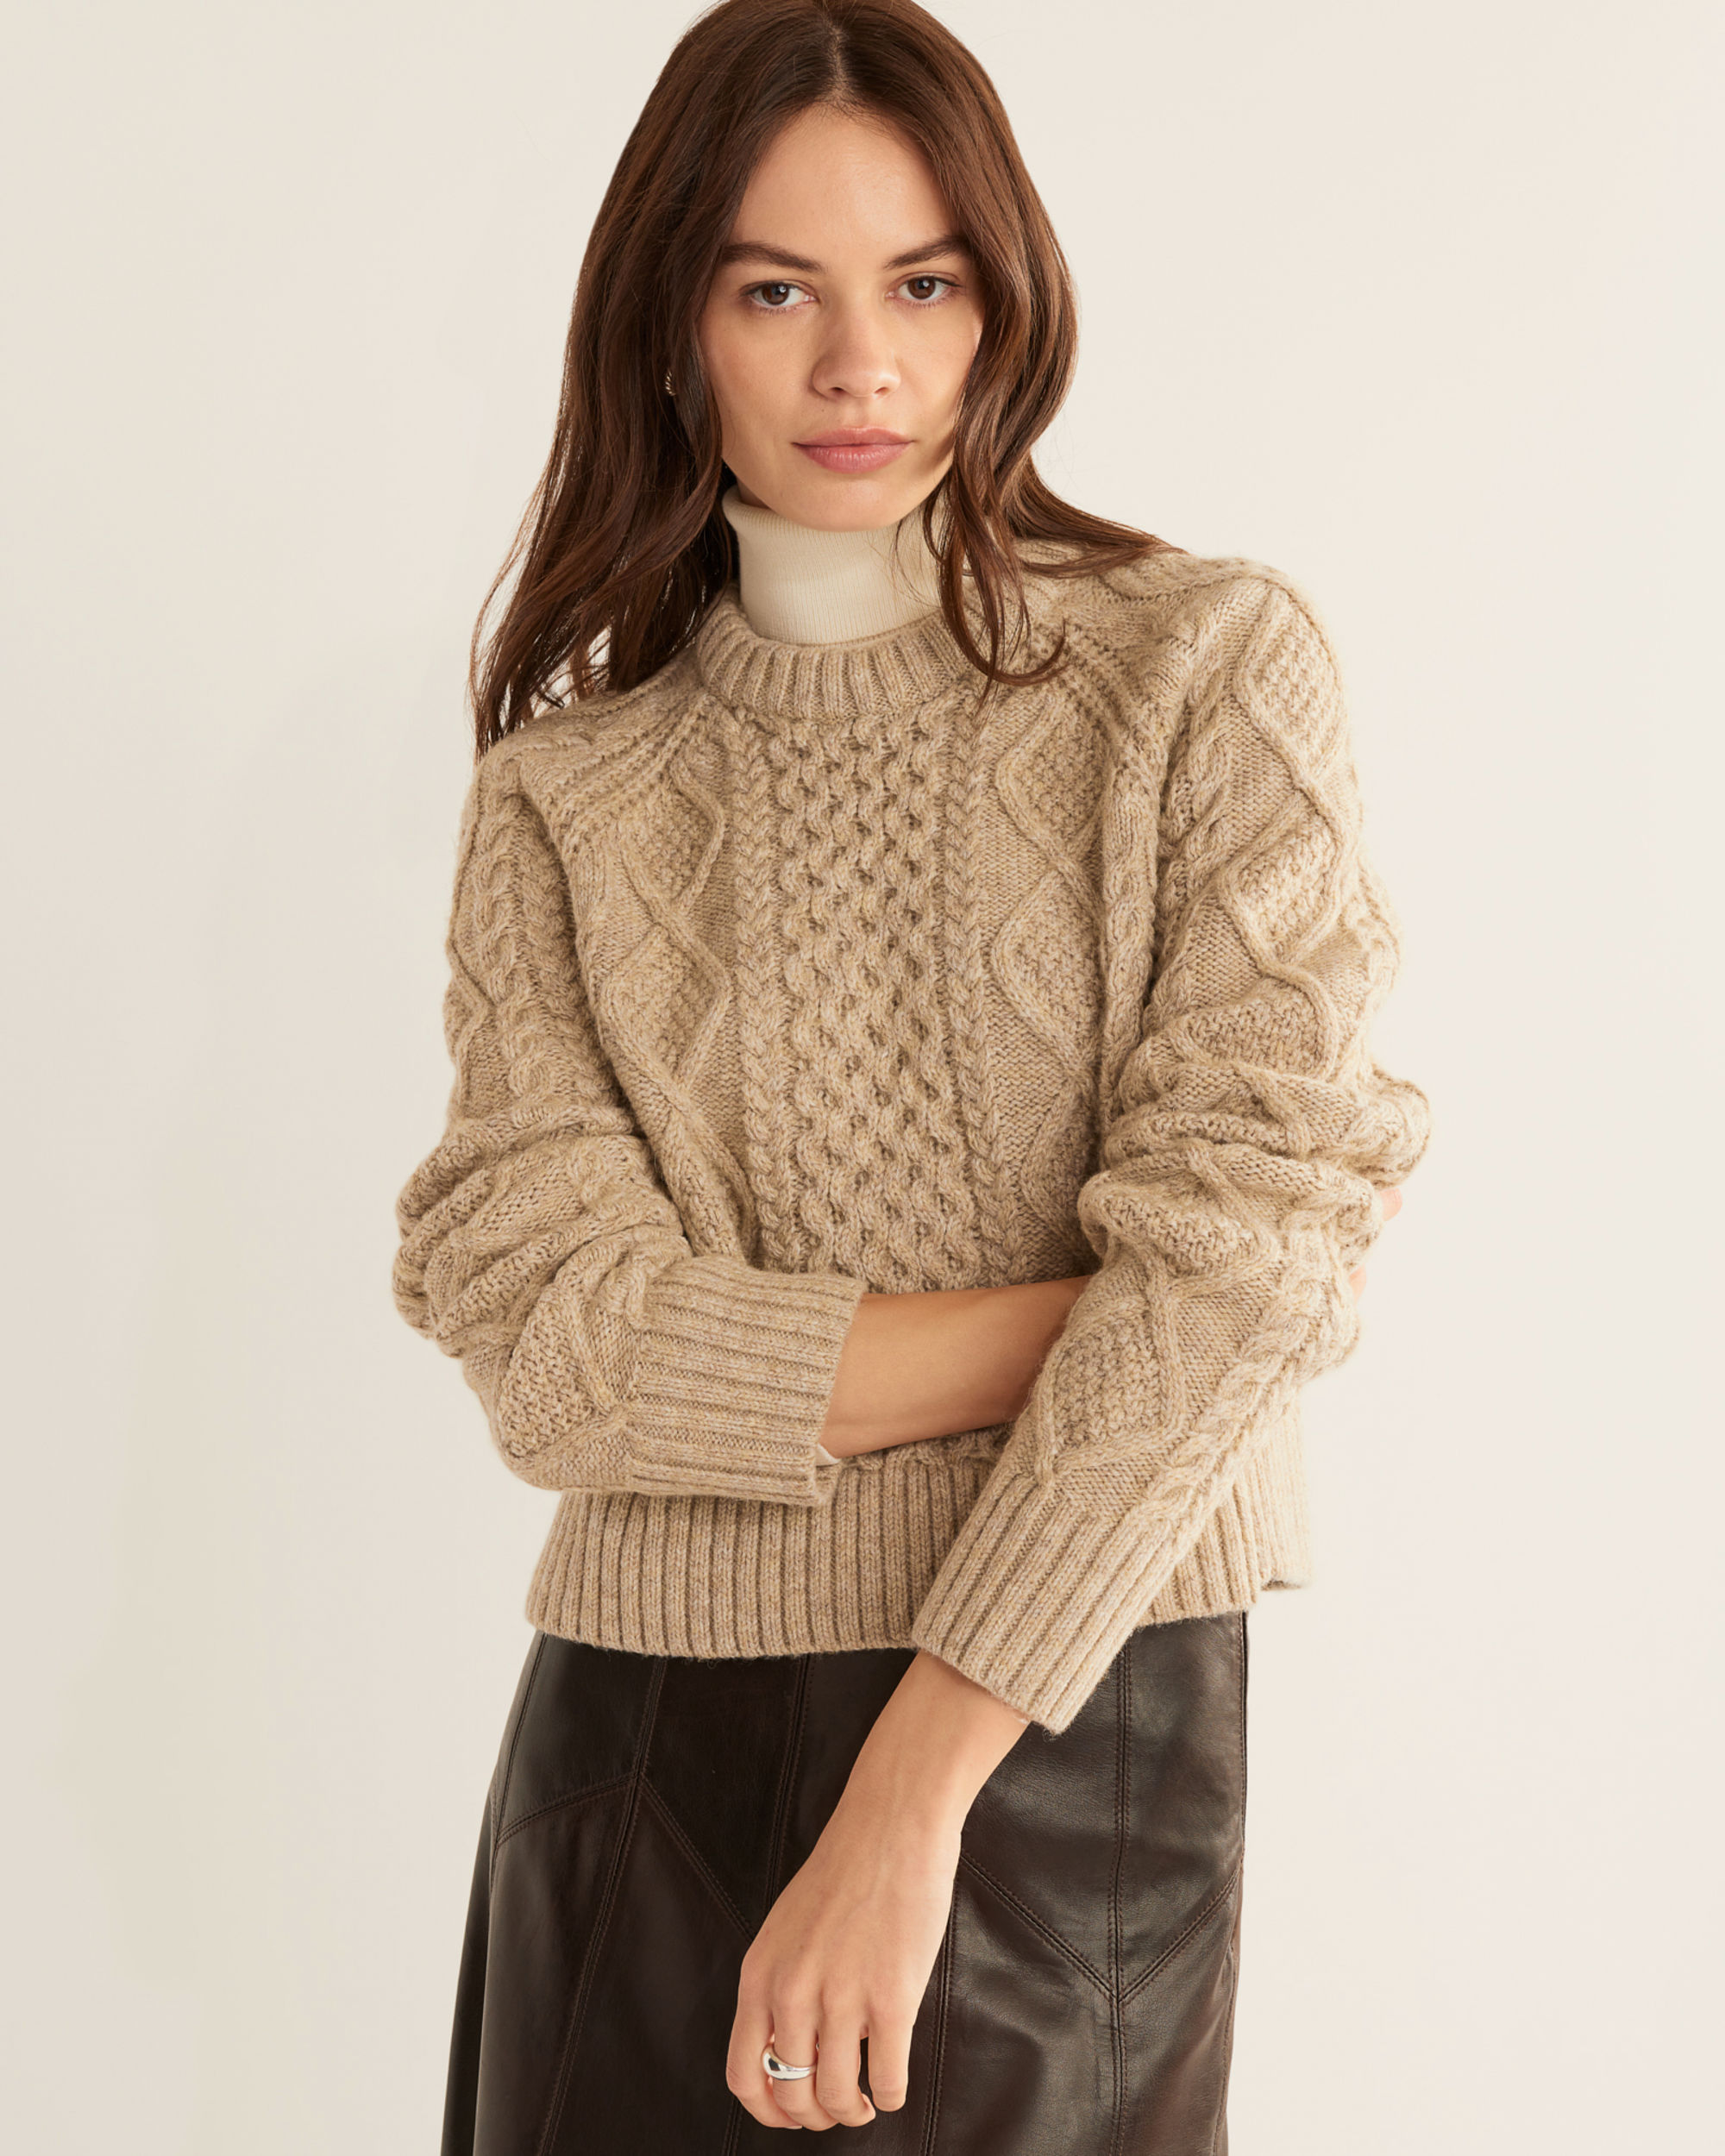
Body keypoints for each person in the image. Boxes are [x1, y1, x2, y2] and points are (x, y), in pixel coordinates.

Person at [390, 2, 1430, 2148]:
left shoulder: (1198, 672)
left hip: (1064, 1726)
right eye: (776, 291)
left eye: (923, 284)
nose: (859, 365)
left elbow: (1246, 1234)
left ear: (1003, 303)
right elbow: (555, 1351)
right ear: (671, 328)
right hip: (636, 1744)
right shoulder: (568, 796)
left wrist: (905, 1798)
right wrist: (1109, 1314)